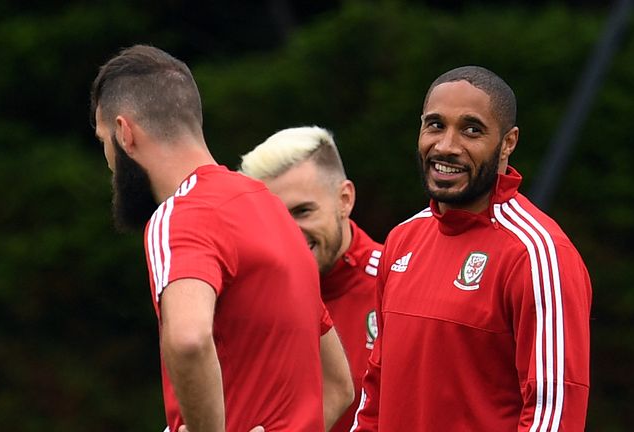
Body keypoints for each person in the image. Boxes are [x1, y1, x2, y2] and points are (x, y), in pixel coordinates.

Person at [90, 44, 353, 432]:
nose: (110, 163)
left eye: (103, 143)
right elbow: (339, 386)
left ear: (124, 133)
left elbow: (188, 340)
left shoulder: (179, 214)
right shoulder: (270, 208)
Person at [351, 66, 592, 431]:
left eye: (471, 130)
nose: (446, 146)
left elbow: (553, 411)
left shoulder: (536, 253)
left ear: (507, 143)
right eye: (435, 125)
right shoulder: (402, 239)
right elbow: (376, 389)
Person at [239, 126, 383, 432]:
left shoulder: (398, 285)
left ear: (345, 199)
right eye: (274, 217)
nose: (289, 232)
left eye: (302, 211)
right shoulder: (247, 300)